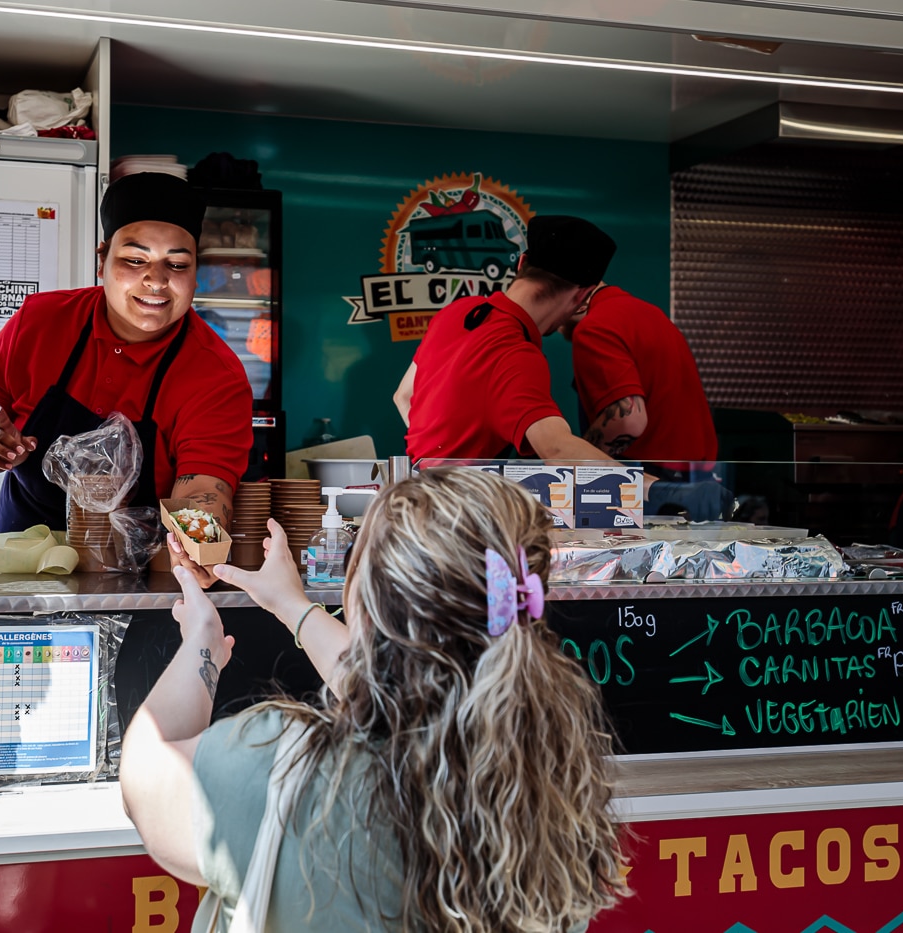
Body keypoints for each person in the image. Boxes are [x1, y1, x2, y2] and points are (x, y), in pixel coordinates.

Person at [121, 469, 625, 932]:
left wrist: (202, 643)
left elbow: (147, 770)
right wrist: (292, 606)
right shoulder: (550, 788)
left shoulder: (282, 771)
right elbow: (407, 679)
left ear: (364, 602)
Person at [0, 173, 253, 573]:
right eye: (134, 259)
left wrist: (200, 551)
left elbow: (201, 492)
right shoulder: (41, 322)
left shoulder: (215, 375)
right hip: (22, 565)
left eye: (176, 264)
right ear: (101, 260)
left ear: (195, 273)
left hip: (137, 580)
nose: (157, 280)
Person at [399, 215, 619, 463]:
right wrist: (650, 486)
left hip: (416, 489)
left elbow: (404, 396)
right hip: (464, 498)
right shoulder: (517, 354)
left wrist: (435, 460)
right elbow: (556, 448)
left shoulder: (456, 312)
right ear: (583, 296)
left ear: (521, 263)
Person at [559, 281, 717, 471]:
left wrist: (576, 461)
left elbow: (626, 420)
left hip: (648, 484)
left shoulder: (594, 327)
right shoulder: (651, 314)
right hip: (698, 479)